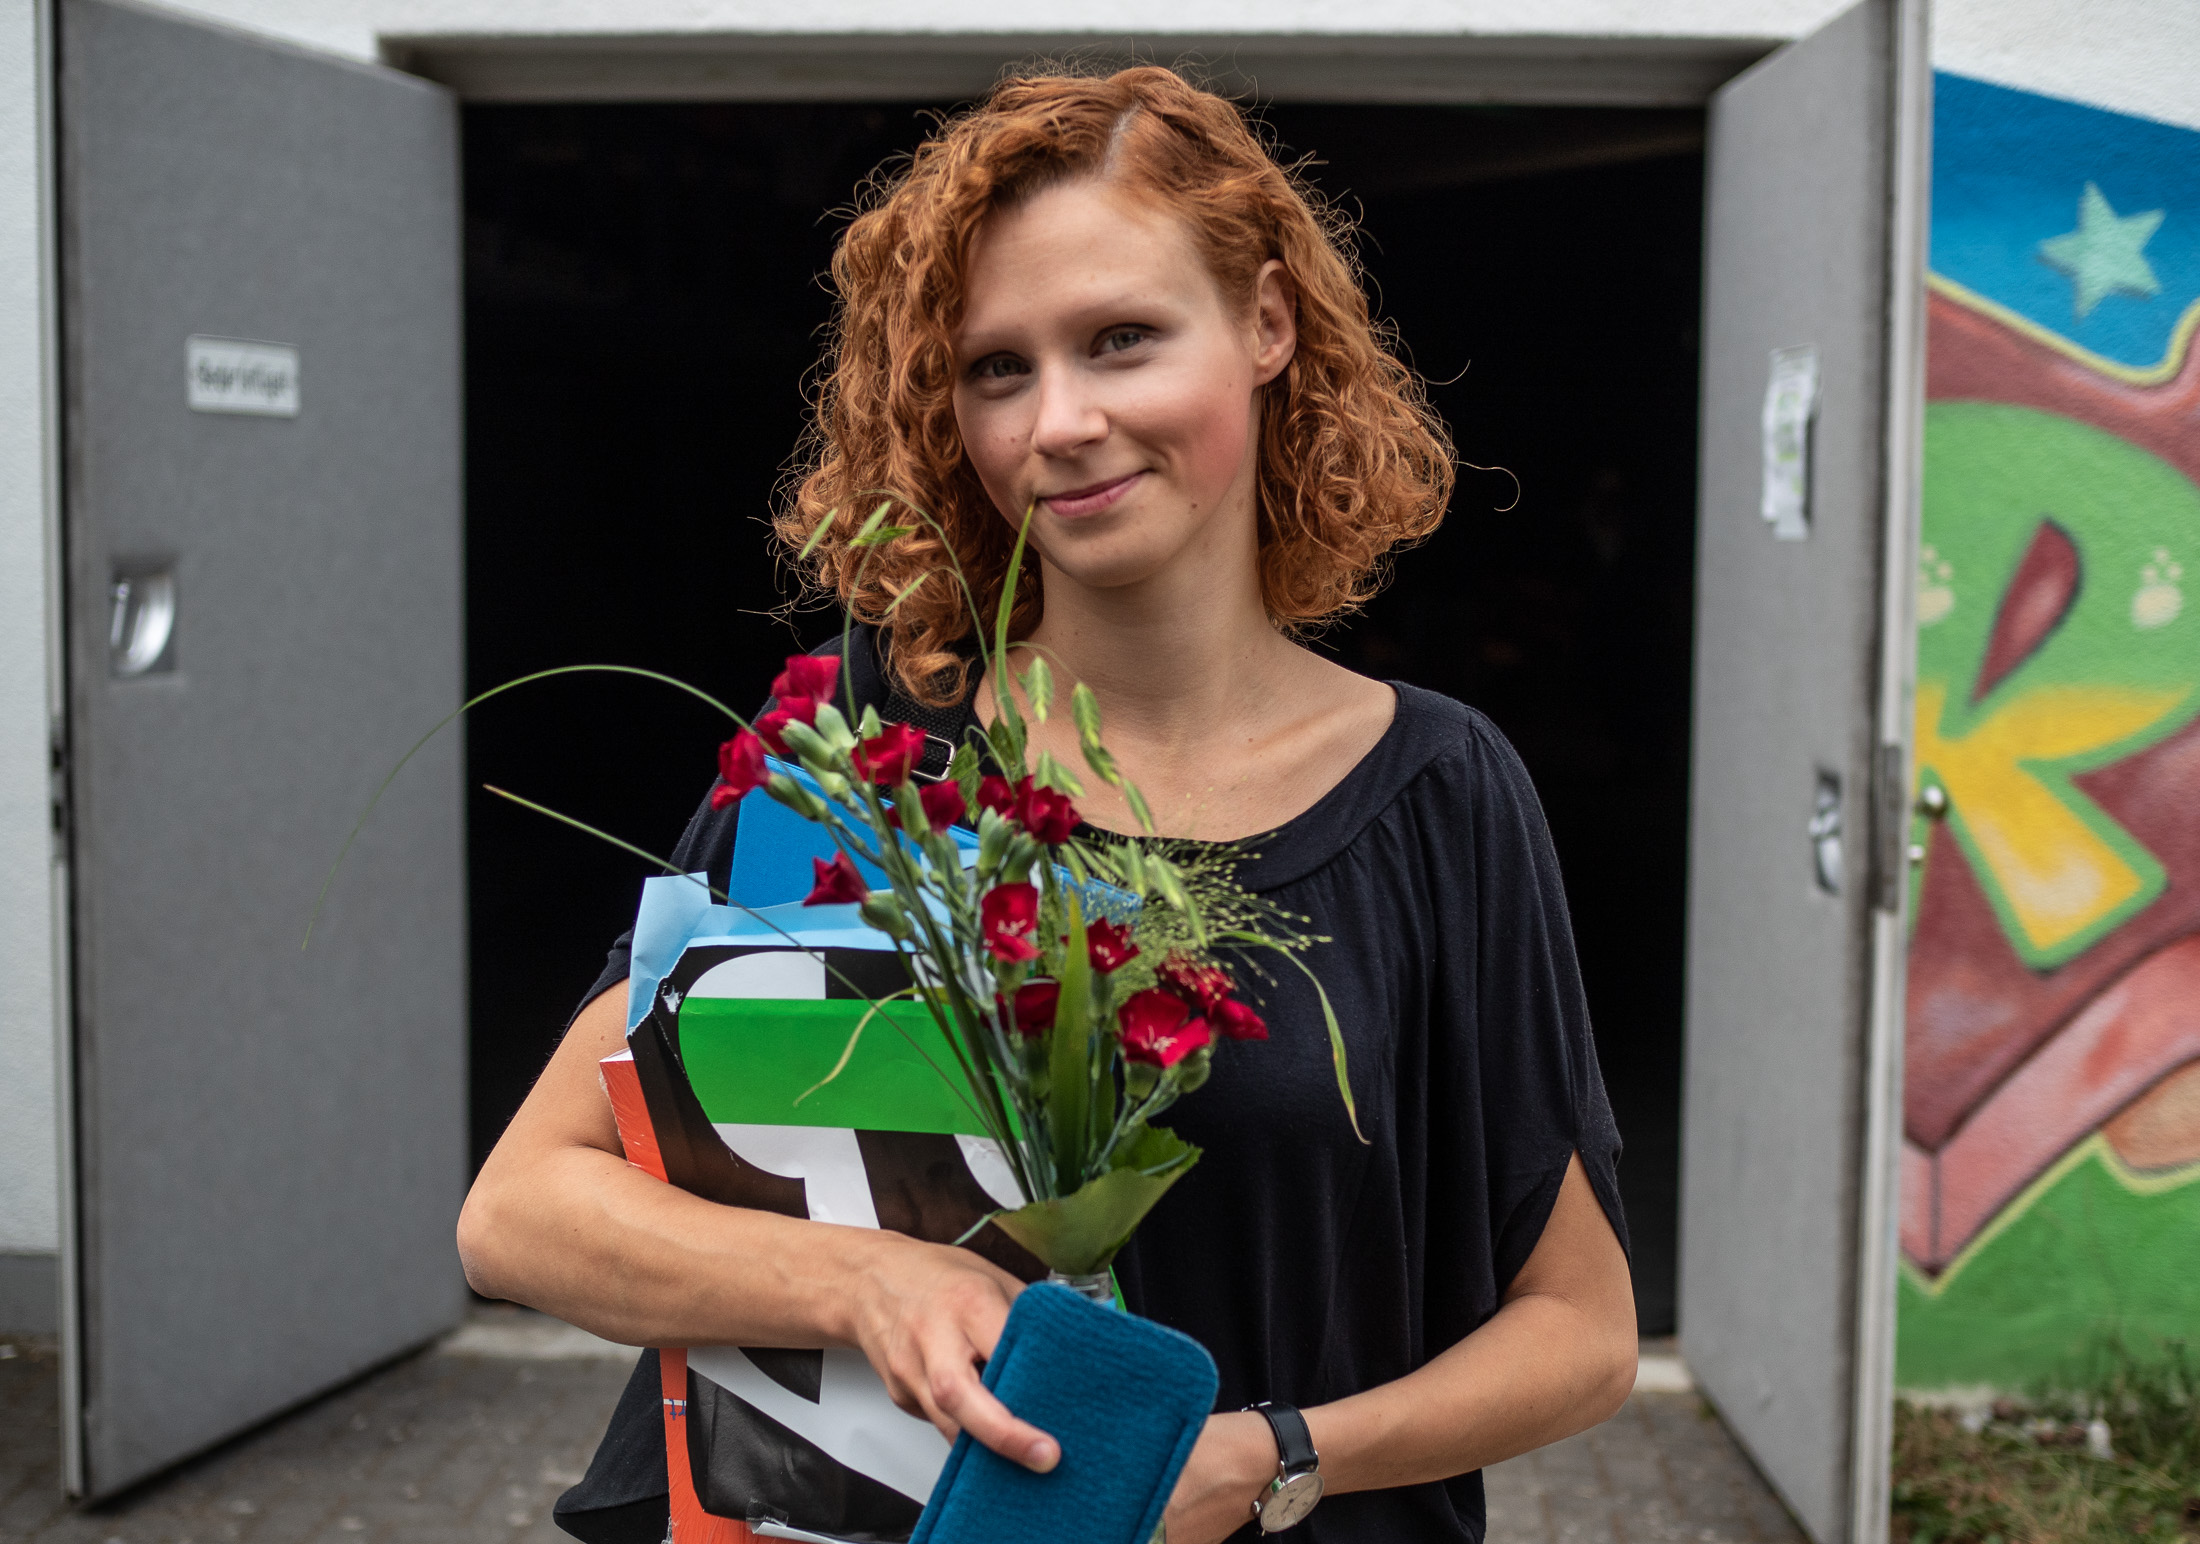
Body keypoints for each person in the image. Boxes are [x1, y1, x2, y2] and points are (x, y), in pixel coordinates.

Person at [458, 65, 1637, 1544]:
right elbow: (522, 1212)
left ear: (1269, 325)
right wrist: (871, 1283)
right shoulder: (865, 760)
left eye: (1122, 340)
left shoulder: (1438, 792)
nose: (1059, 422)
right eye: (996, 369)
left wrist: (1274, 1460)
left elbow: (1582, 1335)